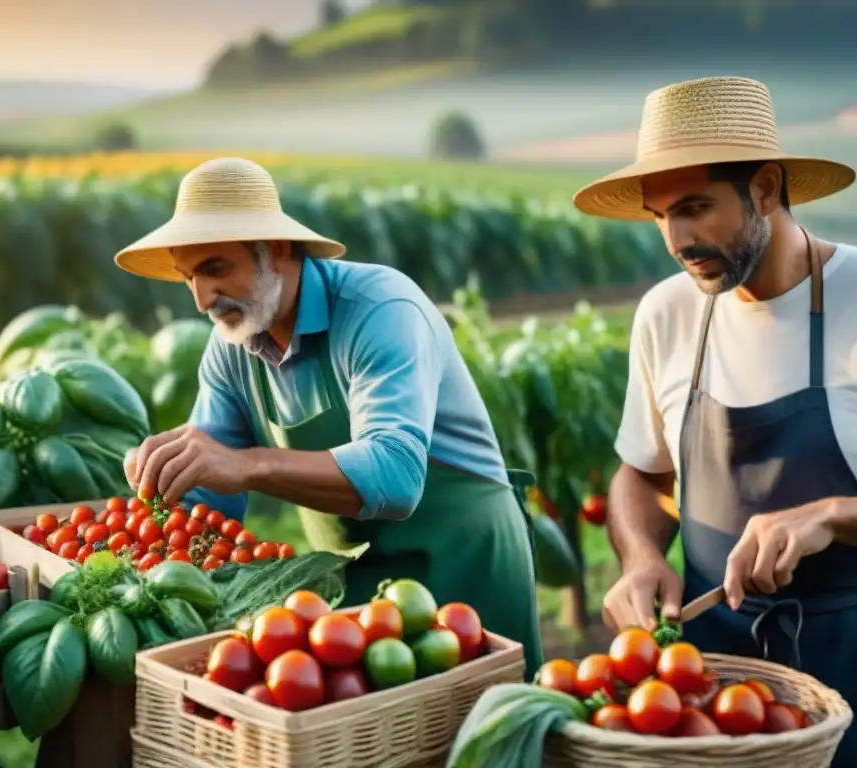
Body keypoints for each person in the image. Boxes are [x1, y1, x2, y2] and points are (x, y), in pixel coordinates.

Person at [113, 156, 544, 675]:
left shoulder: (379, 309)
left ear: (275, 251)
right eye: (189, 277)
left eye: (215, 269)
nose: (203, 297)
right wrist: (158, 499)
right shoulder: (232, 343)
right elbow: (209, 497)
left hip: (464, 563)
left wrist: (246, 464)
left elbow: (396, 477)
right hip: (353, 576)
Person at [575, 75, 857, 759]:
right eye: (660, 214)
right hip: (707, 684)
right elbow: (642, 475)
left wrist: (827, 515)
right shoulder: (667, 313)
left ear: (764, 188)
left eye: (695, 208)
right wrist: (641, 556)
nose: (676, 238)